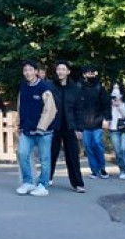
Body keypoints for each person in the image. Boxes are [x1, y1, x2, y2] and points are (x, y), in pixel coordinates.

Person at [15, 59, 57, 197]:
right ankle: (28, 182)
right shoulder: (23, 87)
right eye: (25, 70)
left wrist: (41, 127)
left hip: (43, 132)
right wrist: (19, 124)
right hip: (26, 130)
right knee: (22, 154)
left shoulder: (44, 87)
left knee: (45, 159)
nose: (27, 72)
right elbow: (20, 106)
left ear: (36, 72)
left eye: (30, 70)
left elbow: (50, 109)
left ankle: (42, 185)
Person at [48, 61, 85, 193]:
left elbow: (79, 110)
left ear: (68, 71)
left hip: (70, 126)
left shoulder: (75, 88)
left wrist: (79, 128)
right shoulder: (51, 86)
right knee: (50, 153)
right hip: (54, 125)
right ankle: (47, 178)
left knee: (73, 155)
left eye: (63, 69)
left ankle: (78, 183)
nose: (60, 71)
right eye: (58, 69)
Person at [77, 65, 111, 179]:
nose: (91, 75)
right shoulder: (79, 87)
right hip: (84, 123)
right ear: (84, 74)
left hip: (97, 121)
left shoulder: (99, 87)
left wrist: (106, 119)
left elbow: (106, 104)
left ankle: (102, 168)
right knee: (88, 146)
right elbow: (76, 106)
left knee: (97, 144)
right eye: (89, 73)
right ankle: (94, 170)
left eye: (93, 73)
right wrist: (77, 125)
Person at [108, 82, 125, 180]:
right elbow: (106, 115)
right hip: (113, 128)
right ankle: (122, 170)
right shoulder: (108, 102)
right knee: (118, 151)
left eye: (117, 88)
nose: (116, 91)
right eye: (114, 88)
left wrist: (119, 106)